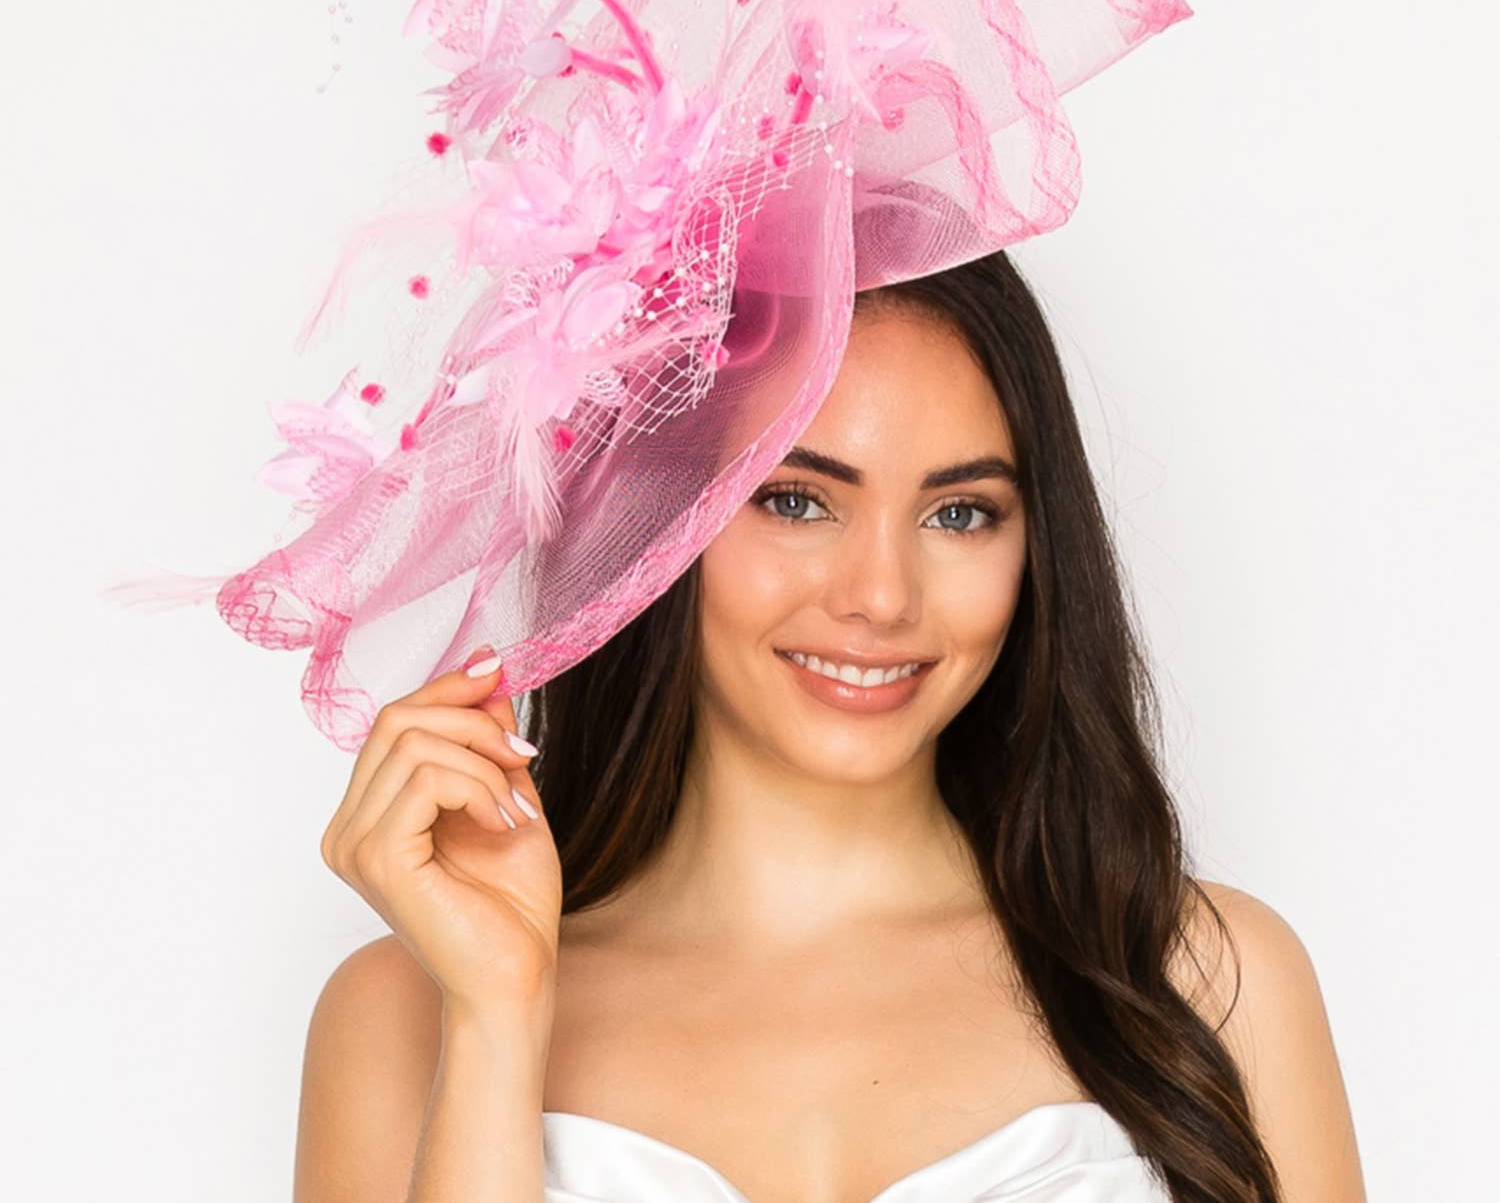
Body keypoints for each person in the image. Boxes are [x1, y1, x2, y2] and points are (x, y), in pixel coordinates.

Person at [291, 251, 1367, 1202]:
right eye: (798, 500)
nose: (882, 597)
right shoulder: (408, 1012)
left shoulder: (1210, 982)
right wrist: (495, 1019)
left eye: (960, 513)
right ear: (657, 524)